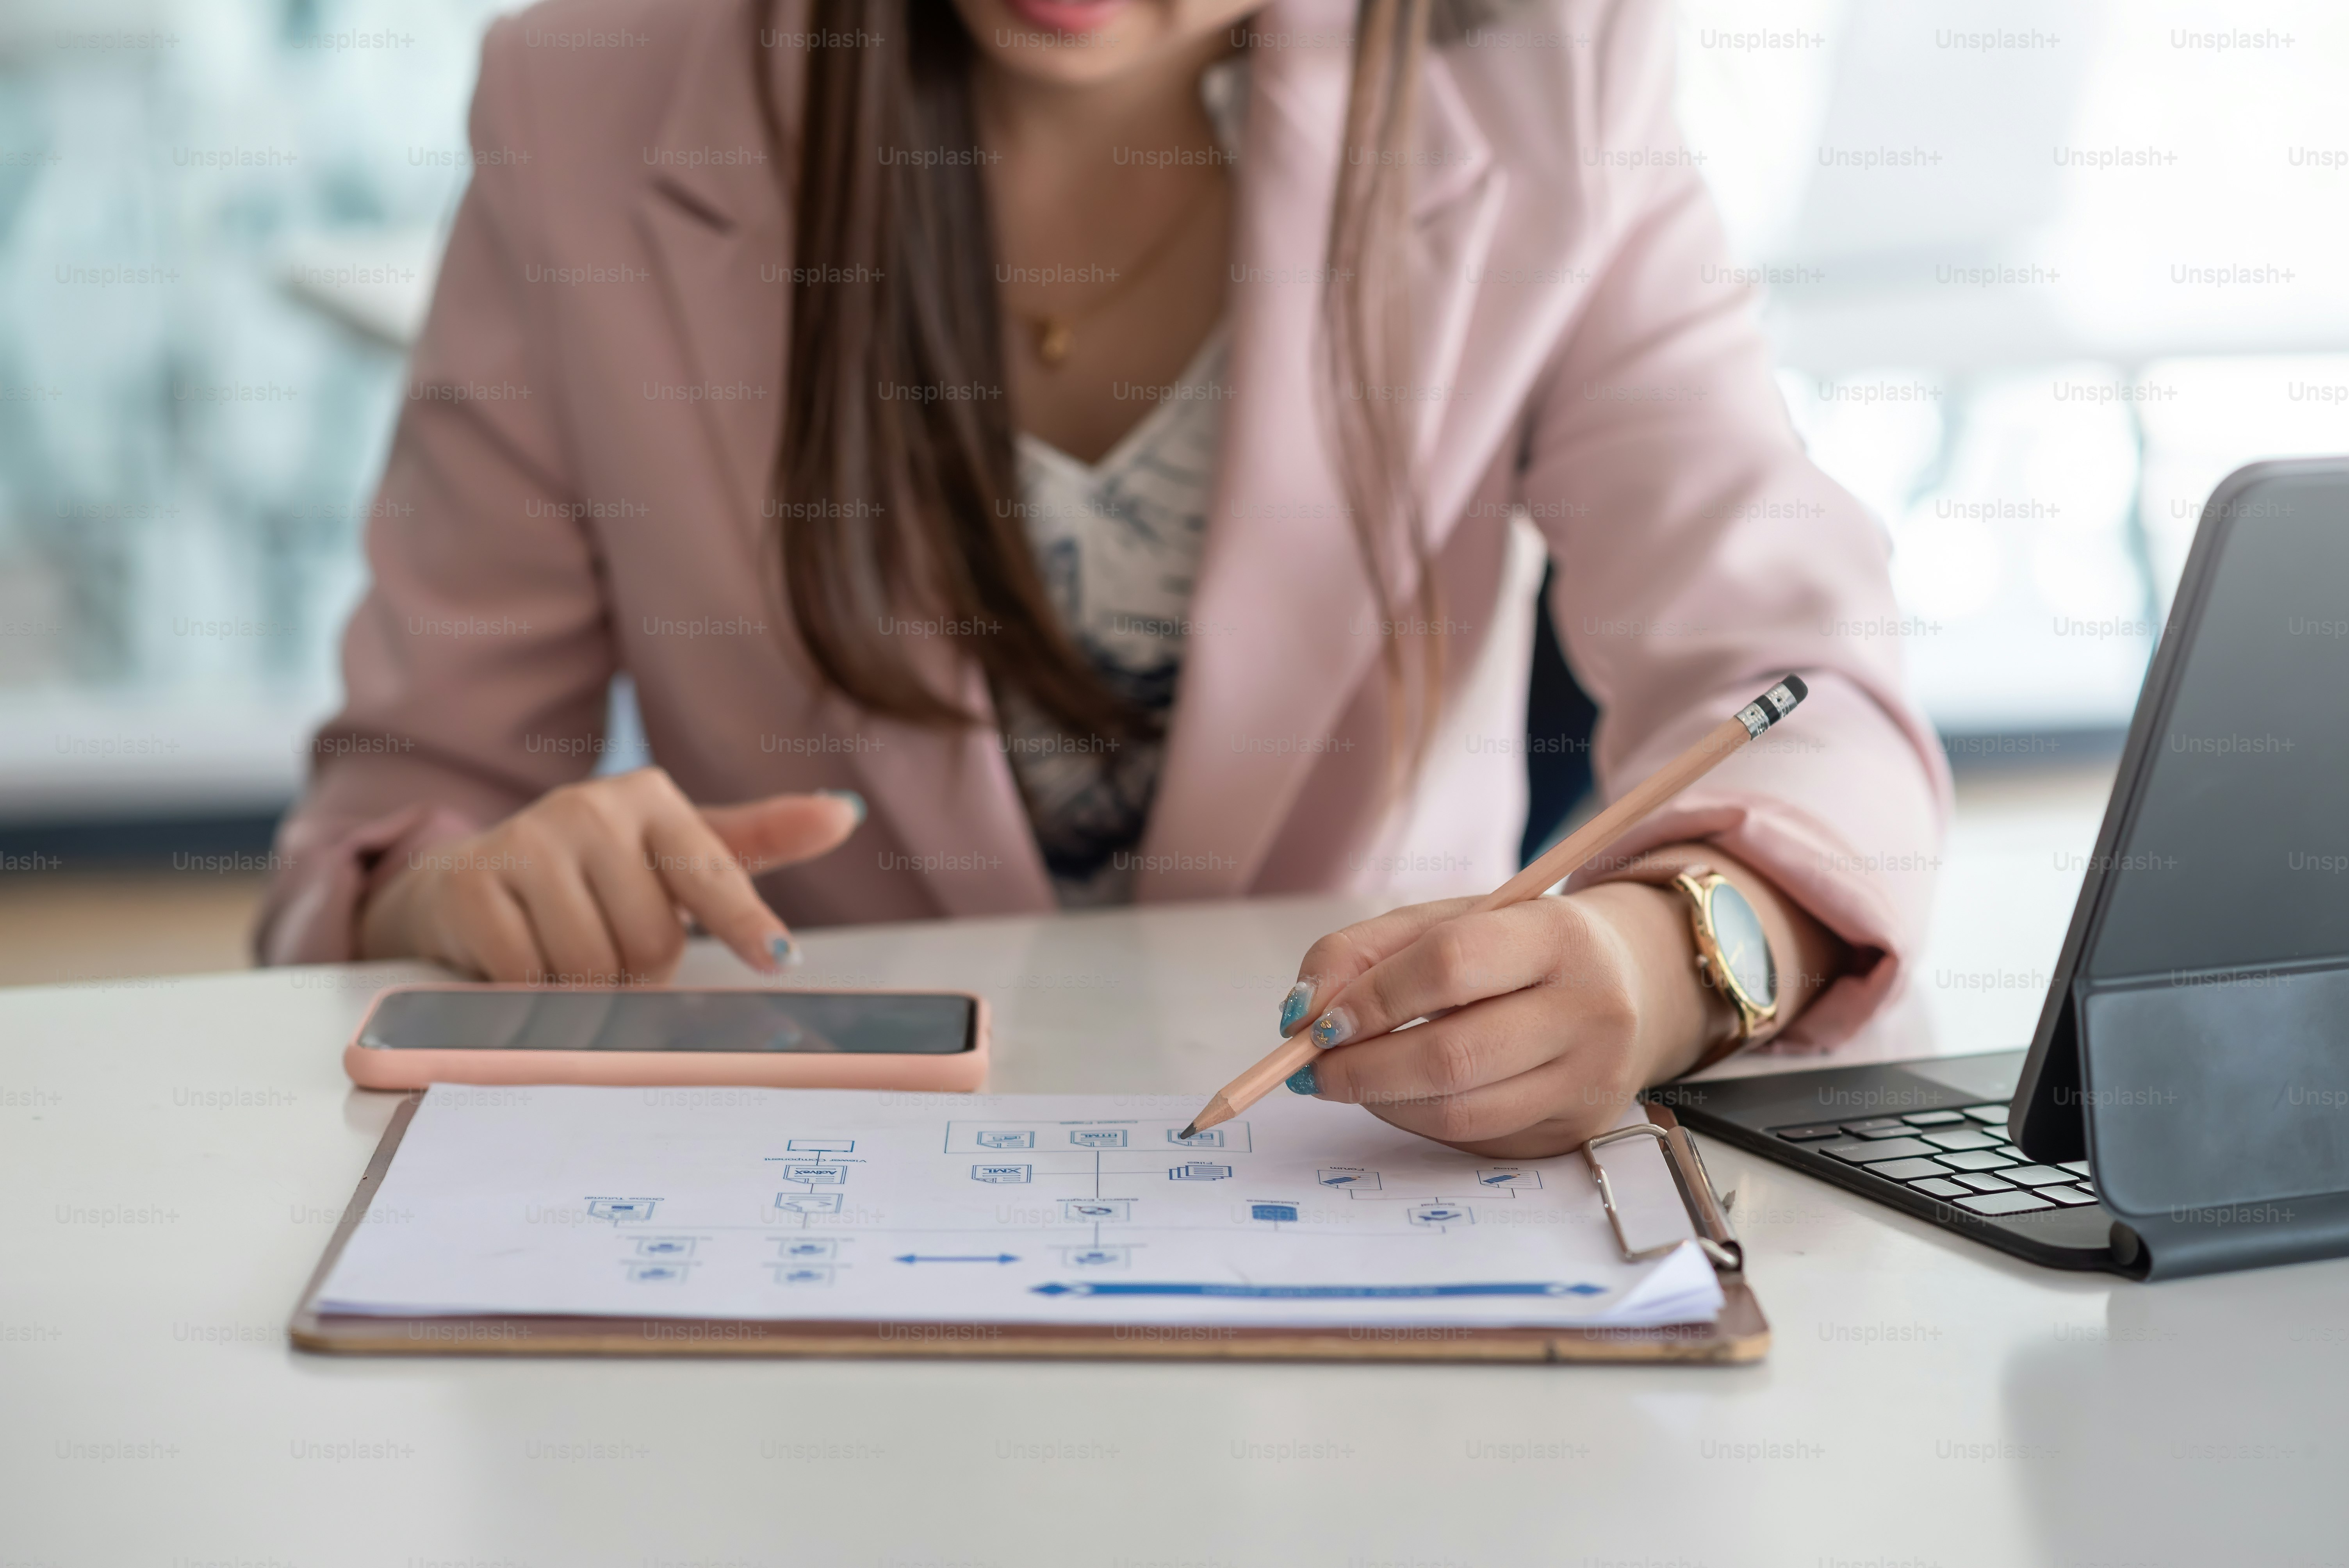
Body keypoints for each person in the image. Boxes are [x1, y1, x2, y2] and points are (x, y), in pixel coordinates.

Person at [258, 0, 1948, 1158]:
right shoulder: (595, 97)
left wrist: (1675, 960)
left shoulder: (1544, 83)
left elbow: (1802, 681)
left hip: (1360, 1174)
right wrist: (462, 890)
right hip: (815, 1184)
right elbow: (395, 811)